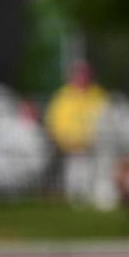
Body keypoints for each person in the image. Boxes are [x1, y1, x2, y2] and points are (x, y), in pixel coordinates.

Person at [45, 59, 109, 203]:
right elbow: (53, 123)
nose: (81, 77)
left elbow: (107, 120)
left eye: (84, 74)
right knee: (75, 186)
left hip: (94, 150)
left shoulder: (99, 95)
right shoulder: (62, 97)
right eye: (78, 74)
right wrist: (62, 141)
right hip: (70, 151)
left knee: (93, 184)